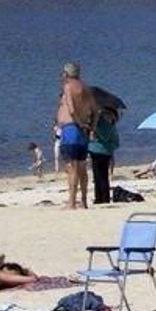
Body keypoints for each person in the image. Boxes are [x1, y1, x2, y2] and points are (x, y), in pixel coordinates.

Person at [54, 61, 98, 210]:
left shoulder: (68, 86)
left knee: (71, 167)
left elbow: (72, 109)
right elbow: (96, 110)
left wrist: (78, 123)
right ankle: (84, 201)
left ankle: (71, 203)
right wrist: (91, 127)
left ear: (66, 74)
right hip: (83, 132)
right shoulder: (86, 88)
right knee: (81, 167)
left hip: (72, 129)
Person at [88, 107, 120, 205]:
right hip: (98, 150)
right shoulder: (104, 122)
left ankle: (103, 198)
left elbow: (105, 136)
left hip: (102, 150)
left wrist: (94, 130)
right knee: (99, 176)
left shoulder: (106, 123)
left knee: (101, 176)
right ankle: (100, 197)